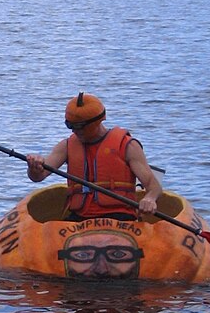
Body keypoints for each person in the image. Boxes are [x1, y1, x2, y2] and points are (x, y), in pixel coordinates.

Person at [26, 92, 162, 221]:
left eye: (78, 126)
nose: (74, 131)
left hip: (120, 217)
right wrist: (34, 168)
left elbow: (154, 186)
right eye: (70, 125)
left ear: (96, 122)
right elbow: (38, 176)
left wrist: (150, 199)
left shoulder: (127, 146)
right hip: (79, 219)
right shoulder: (66, 146)